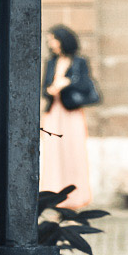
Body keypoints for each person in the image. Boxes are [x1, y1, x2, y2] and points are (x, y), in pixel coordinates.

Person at [40, 24, 94, 210]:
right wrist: (51, 89)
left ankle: (76, 199)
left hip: (71, 113)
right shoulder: (51, 62)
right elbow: (45, 88)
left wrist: (66, 84)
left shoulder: (79, 62)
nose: (51, 44)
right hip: (54, 112)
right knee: (54, 155)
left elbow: (86, 86)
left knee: (74, 153)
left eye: (53, 39)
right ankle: (55, 198)